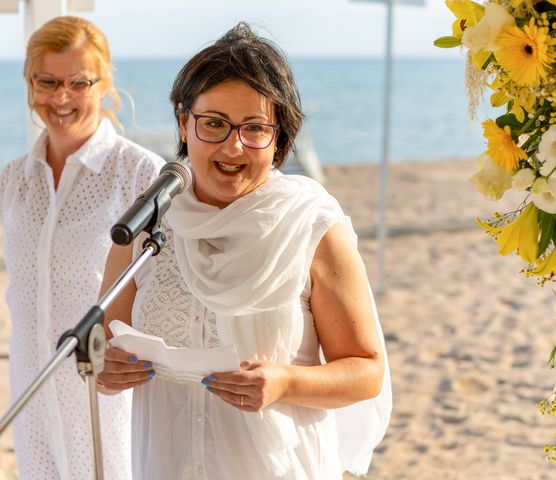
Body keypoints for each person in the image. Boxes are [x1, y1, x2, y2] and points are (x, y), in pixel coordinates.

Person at [98, 22, 392, 480]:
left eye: (254, 128)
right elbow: (102, 345)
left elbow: (366, 371)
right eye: (214, 123)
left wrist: (286, 382)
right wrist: (107, 367)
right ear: (183, 122)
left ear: (278, 136)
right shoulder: (146, 222)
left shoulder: (312, 225)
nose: (233, 145)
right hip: (166, 463)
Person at [0, 16, 165, 480]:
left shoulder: (139, 174)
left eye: (78, 83)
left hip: (110, 400)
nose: (61, 98)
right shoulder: (13, 180)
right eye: (47, 82)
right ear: (29, 83)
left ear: (104, 83)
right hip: (32, 394)